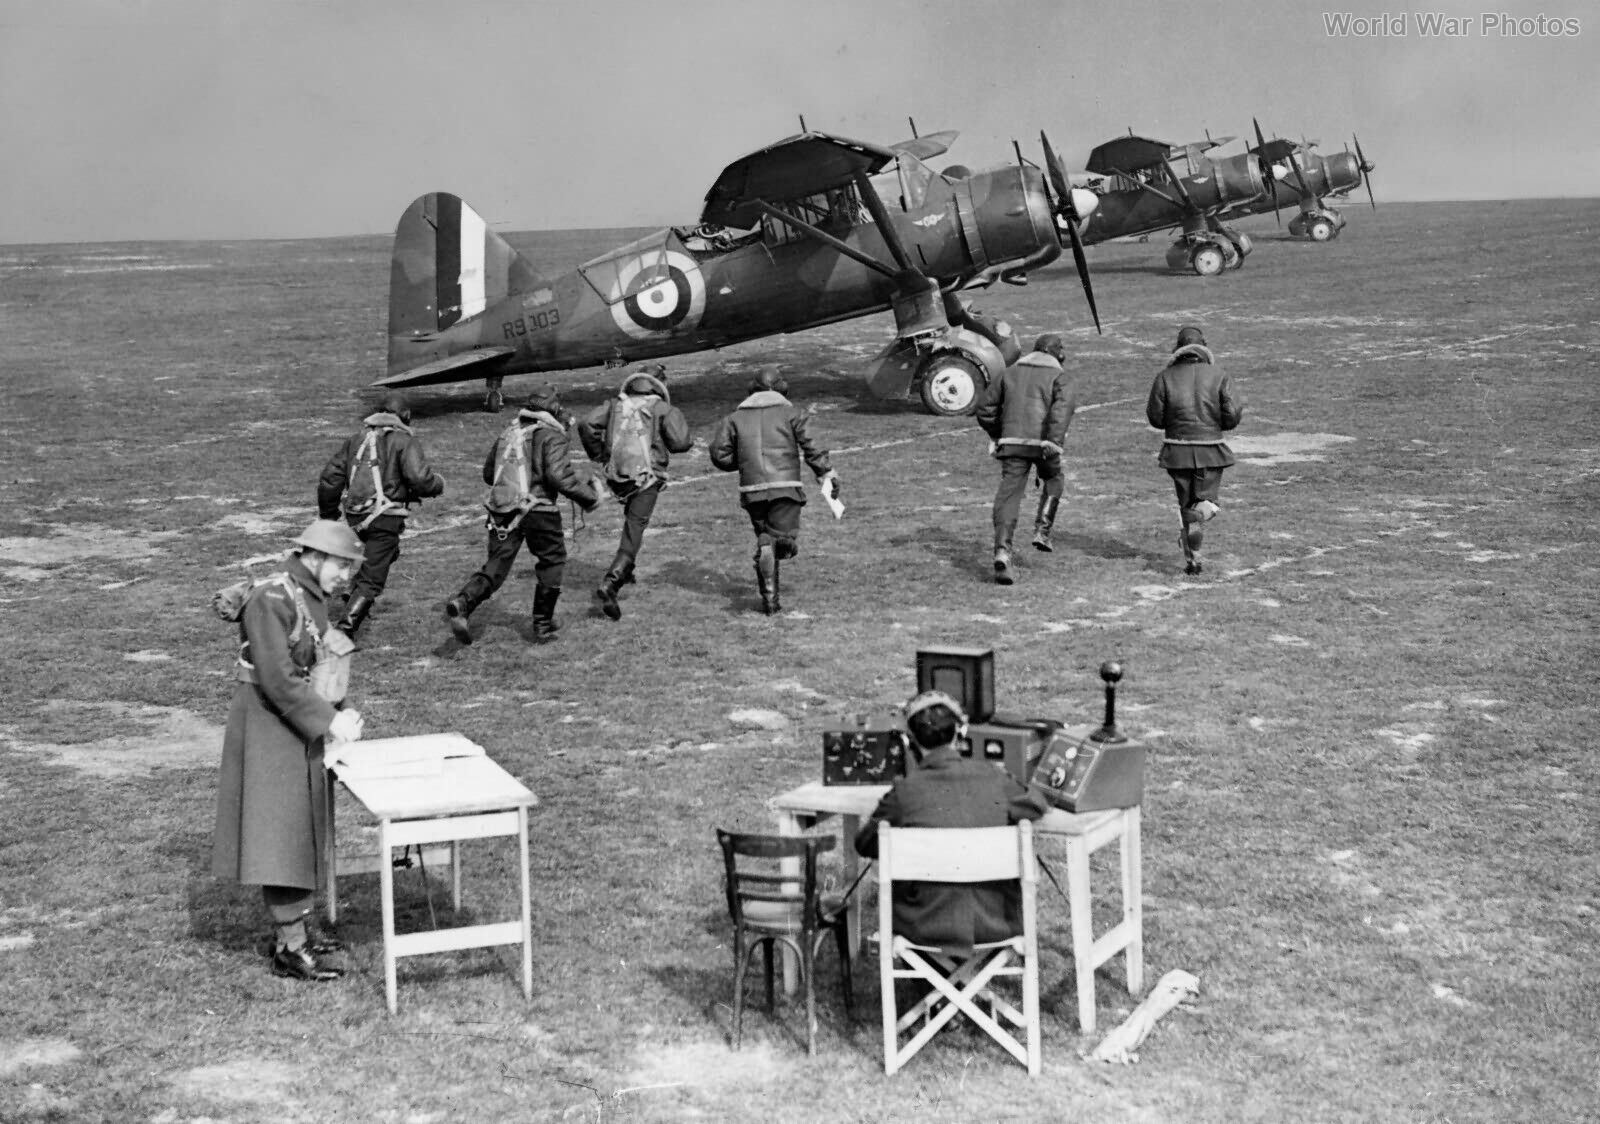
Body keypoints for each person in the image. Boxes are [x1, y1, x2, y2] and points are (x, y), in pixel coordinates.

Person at [212, 519, 368, 982]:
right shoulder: (272, 599)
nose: (346, 578)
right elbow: (278, 680)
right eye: (342, 566)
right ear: (313, 557)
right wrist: (328, 720)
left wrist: (342, 709)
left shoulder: (307, 597)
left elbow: (318, 663)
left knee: (301, 829)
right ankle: (289, 948)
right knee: (280, 835)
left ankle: (296, 930)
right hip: (267, 724)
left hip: (293, 723)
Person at [854, 691, 1050, 957]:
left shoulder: (904, 792)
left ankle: (936, 994)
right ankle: (955, 992)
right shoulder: (993, 777)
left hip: (922, 925)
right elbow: (1036, 803)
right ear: (961, 731)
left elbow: (865, 843)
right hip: (996, 922)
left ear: (911, 740)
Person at [443, 384, 597, 644]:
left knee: (496, 566)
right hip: (539, 510)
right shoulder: (551, 435)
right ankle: (542, 623)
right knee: (552, 560)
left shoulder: (508, 432)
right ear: (554, 409)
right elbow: (559, 477)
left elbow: (488, 474)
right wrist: (590, 498)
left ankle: (463, 602)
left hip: (502, 511)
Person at [707, 366, 838, 615]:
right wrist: (826, 472)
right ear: (781, 388)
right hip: (785, 487)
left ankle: (770, 600)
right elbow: (812, 446)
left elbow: (718, 454)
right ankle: (773, 549)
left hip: (751, 490)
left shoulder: (734, 418)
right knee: (782, 540)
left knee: (765, 540)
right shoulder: (792, 413)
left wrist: (744, 462)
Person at [316, 391, 446, 638]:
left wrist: (328, 514)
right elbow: (420, 479)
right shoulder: (403, 440)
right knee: (374, 577)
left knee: (386, 554)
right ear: (406, 416)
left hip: (355, 516)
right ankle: (345, 630)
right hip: (385, 516)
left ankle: (352, 591)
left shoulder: (356, 439)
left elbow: (330, 478)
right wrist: (438, 484)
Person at [576, 363, 693, 621]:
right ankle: (611, 584)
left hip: (617, 477)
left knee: (631, 518)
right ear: (659, 385)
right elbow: (682, 443)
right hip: (647, 478)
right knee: (635, 527)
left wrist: (600, 454)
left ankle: (628, 571)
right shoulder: (662, 408)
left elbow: (586, 424)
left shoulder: (614, 404)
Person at [974, 334, 1078, 584]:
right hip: (1044, 446)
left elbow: (985, 409)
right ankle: (1042, 531)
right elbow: (1061, 411)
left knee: (1008, 496)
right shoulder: (1060, 377)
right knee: (1054, 478)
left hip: (1011, 444)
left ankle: (1002, 550)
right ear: (1059, 355)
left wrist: (1000, 434)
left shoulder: (1009, 372)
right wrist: (1053, 441)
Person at [1145, 325, 1244, 575]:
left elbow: (1156, 418)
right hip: (1210, 449)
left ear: (1178, 349)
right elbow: (1232, 416)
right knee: (1208, 504)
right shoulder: (1219, 375)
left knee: (1186, 506)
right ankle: (1193, 538)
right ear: (1204, 347)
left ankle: (1193, 559)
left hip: (1176, 451)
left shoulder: (1164, 377)